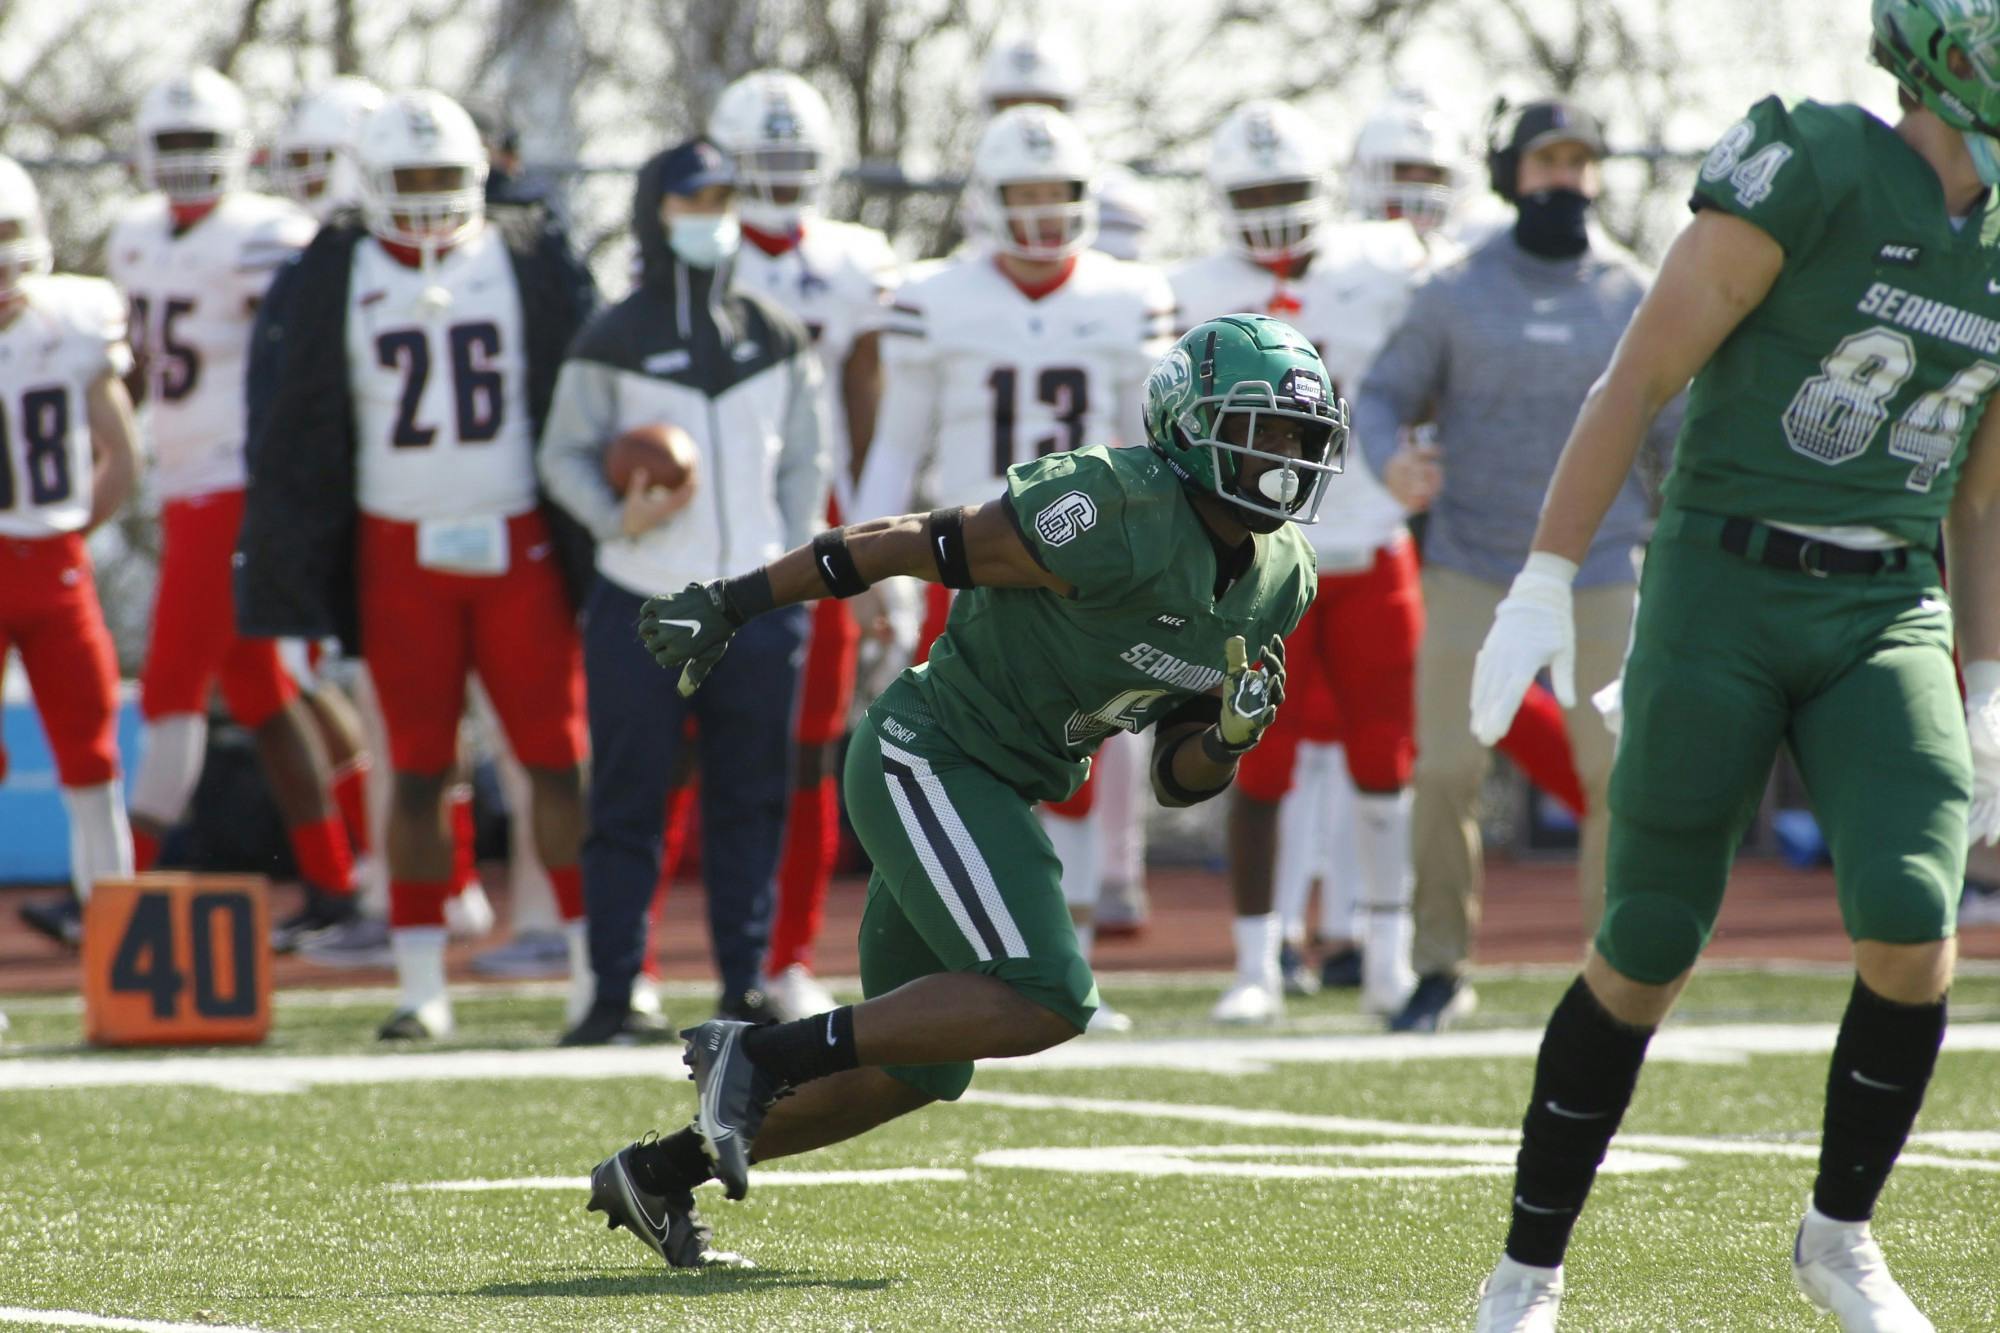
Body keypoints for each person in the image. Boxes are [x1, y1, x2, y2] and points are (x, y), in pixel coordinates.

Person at [584, 313, 1330, 1268]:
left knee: (919, 1064)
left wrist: (1228, 737)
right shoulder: (1115, 507)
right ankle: (758, 1051)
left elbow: (1179, 777)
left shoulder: (1281, 579)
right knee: (1048, 994)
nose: (1286, 457)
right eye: (1263, 429)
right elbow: (906, 540)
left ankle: (656, 1174)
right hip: (929, 752)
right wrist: (733, 602)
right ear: (1190, 421)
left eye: (1302, 438)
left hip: (996, 786)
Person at [1467, 5, 2000, 1328]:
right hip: (1725, 578)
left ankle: (1840, 1237)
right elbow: (1636, 380)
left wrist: (1989, 679)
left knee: (1912, 919)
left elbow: (1978, 502)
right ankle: (1528, 1268)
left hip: (1886, 602)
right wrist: (1545, 574)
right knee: (1646, 939)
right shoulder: (1811, 159)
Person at [236, 89, 600, 1040]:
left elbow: (589, 381)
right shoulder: (337, 268)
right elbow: (292, 428)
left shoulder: (525, 254)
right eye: (411, 179)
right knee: (418, 767)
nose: (432, 198)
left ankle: (596, 970)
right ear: (373, 184)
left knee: (555, 758)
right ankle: (419, 980)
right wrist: (292, 578)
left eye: (447, 177)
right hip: (396, 547)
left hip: (518, 539)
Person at [1355, 96, 1679, 1033]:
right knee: (1448, 770)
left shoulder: (1632, 289)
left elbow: (1680, 428)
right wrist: (1390, 459)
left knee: (1615, 772)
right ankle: (1439, 967)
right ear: (1510, 174)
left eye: (1580, 162)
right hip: (1474, 561)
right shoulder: (1454, 288)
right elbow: (1378, 397)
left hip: (1601, 567)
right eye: (1547, 163)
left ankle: (1615, 973)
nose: (1564, 181)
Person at [852, 103, 1176, 1031]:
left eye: (1059, 194)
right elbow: (893, 455)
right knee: (942, 759)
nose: (1042, 214)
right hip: (965, 562)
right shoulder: (931, 298)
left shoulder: (1127, 296)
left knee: (1068, 753)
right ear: (987, 201)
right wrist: (879, 572)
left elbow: (1151, 457)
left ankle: (1062, 950)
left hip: (1084, 573)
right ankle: (938, 966)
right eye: (1023, 195)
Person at [538, 136, 827, 1044]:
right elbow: (562, 455)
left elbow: (805, 466)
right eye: (694, 200)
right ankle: (614, 987)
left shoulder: (773, 332)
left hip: (751, 605)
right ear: (655, 211)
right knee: (627, 797)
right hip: (645, 598)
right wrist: (613, 520)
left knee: (750, 798)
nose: (714, 217)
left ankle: (745, 982)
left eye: (723, 200)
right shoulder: (612, 333)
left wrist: (788, 571)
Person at [1176, 98, 1429, 1024]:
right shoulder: (1190, 286)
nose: (1276, 206)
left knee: (1383, 758)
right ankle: (1258, 958)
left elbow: (1439, 368)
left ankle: (1389, 955)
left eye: (1289, 187)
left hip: (1369, 540)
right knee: (1257, 755)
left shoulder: (1389, 262)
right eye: (1257, 190)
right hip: (1262, 555)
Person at [104, 67, 355, 951]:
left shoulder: (265, 235)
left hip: (239, 484)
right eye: (168, 143)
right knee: (259, 689)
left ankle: (122, 886)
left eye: (197, 142)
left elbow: (304, 355)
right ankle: (337, 877)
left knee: (174, 679)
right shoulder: (133, 235)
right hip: (181, 482)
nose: (184, 161)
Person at [707, 69, 901, 1021]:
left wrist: (872, 542)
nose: (780, 182)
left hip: (817, 515)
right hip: (716, 513)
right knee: (684, 743)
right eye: (763, 163)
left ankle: (784, 952)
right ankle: (643, 952)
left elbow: (868, 399)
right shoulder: (697, 248)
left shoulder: (857, 258)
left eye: (795, 164)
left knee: (809, 746)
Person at [0, 156, 142, 940]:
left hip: (56, 564)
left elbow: (122, 451)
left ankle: (118, 954)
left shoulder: (75, 320)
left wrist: (70, 532)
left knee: (94, 763)